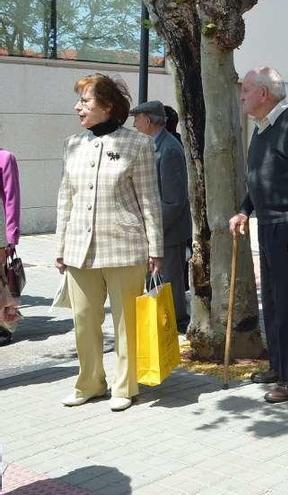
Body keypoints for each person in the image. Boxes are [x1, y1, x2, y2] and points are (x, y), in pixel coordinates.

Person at [56, 73, 164, 412]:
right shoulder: (73, 144)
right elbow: (65, 198)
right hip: (79, 249)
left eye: (85, 102)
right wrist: (59, 247)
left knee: (125, 322)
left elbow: (149, 200)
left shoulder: (138, 144)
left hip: (125, 246)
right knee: (84, 319)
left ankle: (124, 386)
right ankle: (89, 383)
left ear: (108, 107)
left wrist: (155, 249)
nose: (78, 108)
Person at [228, 66, 288, 404]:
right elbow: (260, 178)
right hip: (269, 224)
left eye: (246, 89)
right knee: (271, 300)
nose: (241, 94)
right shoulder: (261, 127)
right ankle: (278, 365)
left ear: (264, 94)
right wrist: (244, 209)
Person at [131, 101, 191, 333]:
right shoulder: (150, 145)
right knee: (157, 284)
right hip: (156, 231)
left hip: (167, 233)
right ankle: (165, 326)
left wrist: (152, 231)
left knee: (169, 285)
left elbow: (174, 202)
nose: (134, 124)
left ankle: (175, 327)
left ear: (147, 120)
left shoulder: (169, 149)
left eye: (137, 118)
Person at [0, 147, 20, 346]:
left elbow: (11, 197)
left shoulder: (5, 158)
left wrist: (11, 236)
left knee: (0, 282)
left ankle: (3, 327)